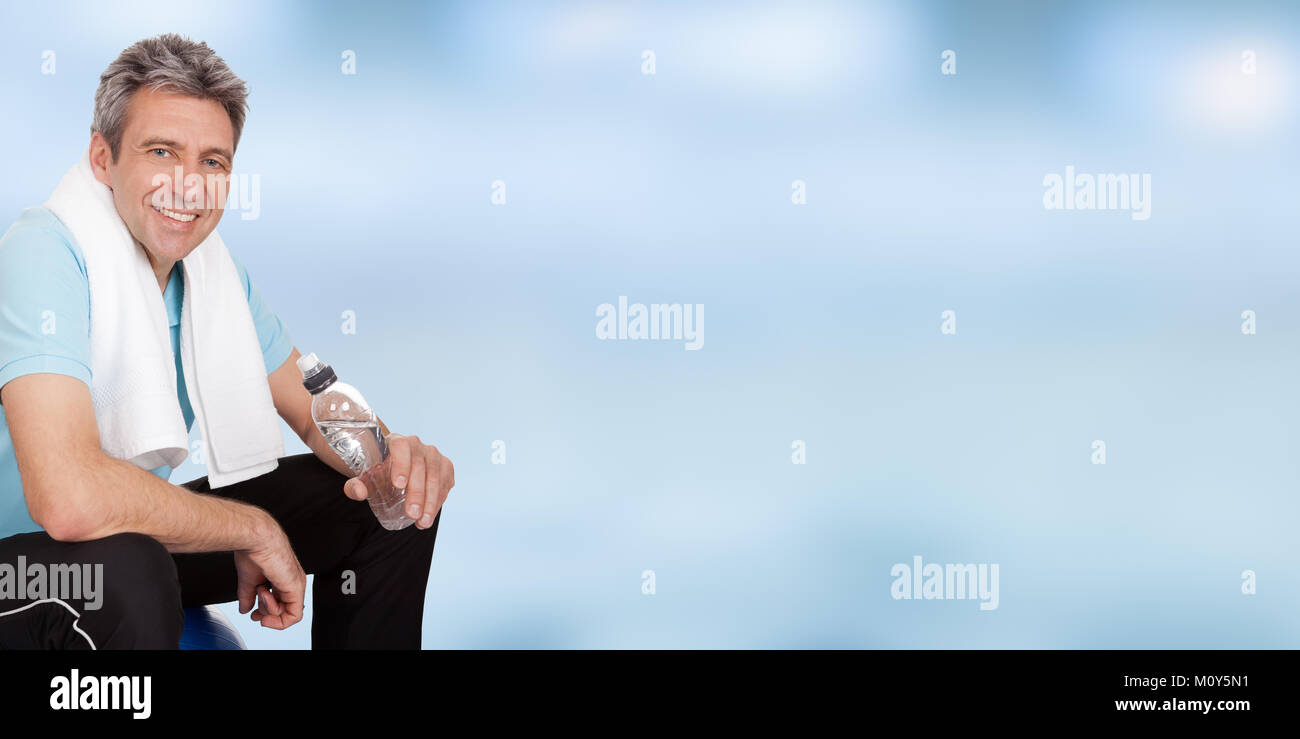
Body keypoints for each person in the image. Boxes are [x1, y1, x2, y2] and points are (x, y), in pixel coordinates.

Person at [0, 33, 454, 649]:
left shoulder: (211, 276)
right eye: (162, 151)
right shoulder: (42, 254)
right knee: (131, 569)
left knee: (385, 503)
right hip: (15, 567)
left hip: (122, 541)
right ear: (102, 159)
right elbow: (68, 500)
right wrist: (250, 529)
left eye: (212, 161)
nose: (189, 186)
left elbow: (316, 410)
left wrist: (398, 456)